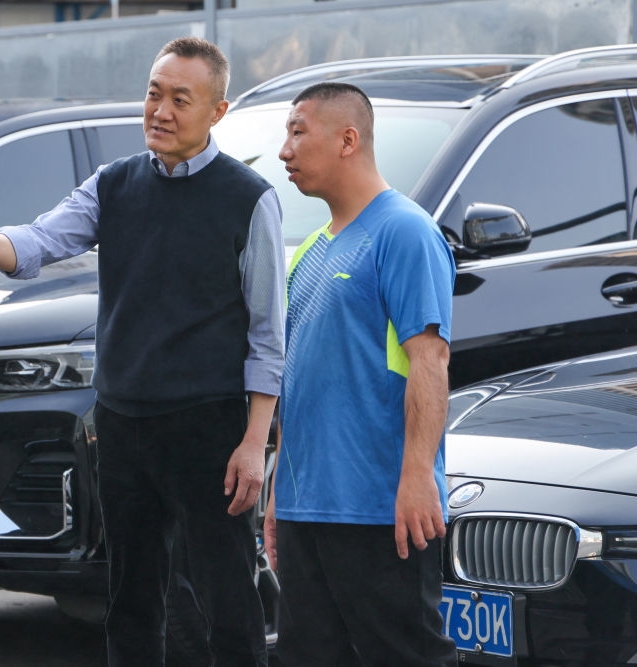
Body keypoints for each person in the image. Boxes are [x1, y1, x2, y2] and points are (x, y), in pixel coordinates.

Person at [0, 37, 285, 667]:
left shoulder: (249, 198)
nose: (161, 111)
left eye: (181, 99)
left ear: (217, 112)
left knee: (227, 596)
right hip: (123, 424)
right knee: (130, 598)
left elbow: (267, 334)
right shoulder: (114, 184)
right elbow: (40, 241)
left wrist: (254, 443)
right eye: (154, 93)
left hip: (210, 427)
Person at [264, 81, 457, 666]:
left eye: (298, 132)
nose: (284, 150)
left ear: (348, 140)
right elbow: (297, 380)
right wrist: (279, 493)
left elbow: (430, 360)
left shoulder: (405, 232)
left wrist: (417, 476)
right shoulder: (310, 251)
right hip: (305, 509)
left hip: (379, 509)